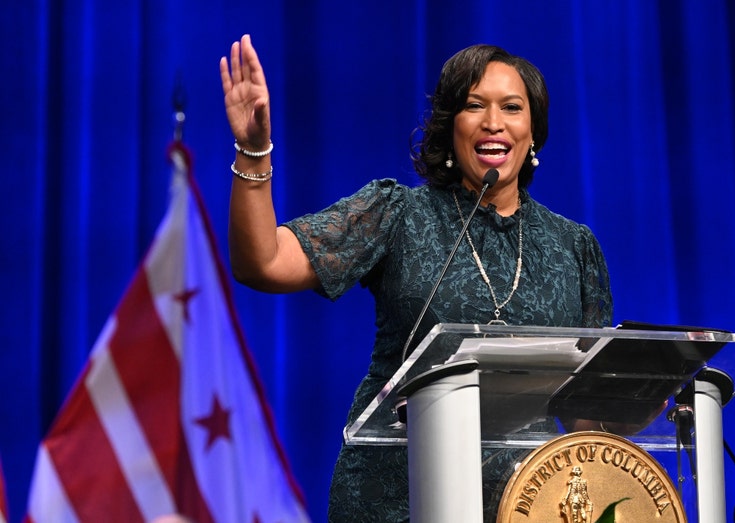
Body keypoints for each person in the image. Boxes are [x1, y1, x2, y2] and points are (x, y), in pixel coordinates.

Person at [220, 34, 614, 522]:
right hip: (395, 495)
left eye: (512, 107)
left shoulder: (573, 247)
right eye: (475, 105)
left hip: (527, 502)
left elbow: (587, 419)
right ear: (452, 127)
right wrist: (254, 151)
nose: (494, 123)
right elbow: (262, 263)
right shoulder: (398, 214)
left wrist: (633, 399)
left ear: (533, 131)